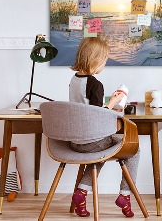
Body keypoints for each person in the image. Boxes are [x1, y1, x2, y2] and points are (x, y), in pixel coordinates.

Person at [69, 37, 139, 218]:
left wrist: (108, 104)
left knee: (99, 152)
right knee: (134, 149)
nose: (104, 64)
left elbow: (86, 109)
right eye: (104, 60)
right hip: (92, 141)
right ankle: (125, 195)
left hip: (75, 141)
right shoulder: (95, 84)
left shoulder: (74, 80)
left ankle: (81, 193)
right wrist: (114, 103)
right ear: (95, 60)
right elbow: (97, 116)